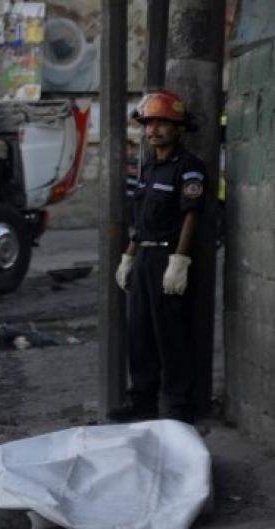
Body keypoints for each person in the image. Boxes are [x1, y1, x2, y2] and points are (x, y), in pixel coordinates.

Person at [110, 90, 207, 424]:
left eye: (162, 122)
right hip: (144, 260)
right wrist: (128, 256)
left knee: (171, 335)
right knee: (140, 333)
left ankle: (180, 406)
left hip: (169, 260)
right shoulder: (148, 167)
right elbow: (141, 221)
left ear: (177, 126)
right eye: (149, 123)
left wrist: (180, 260)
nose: (154, 130)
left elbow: (190, 215)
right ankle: (143, 401)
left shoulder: (189, 168)